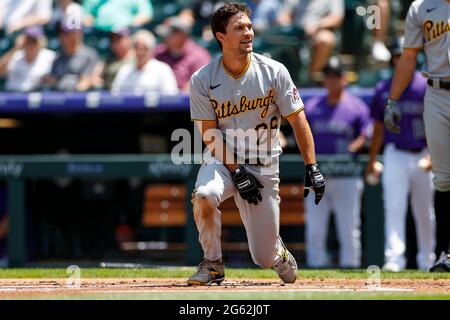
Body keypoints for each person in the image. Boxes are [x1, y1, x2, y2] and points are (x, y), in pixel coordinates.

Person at [187, 2, 325, 286]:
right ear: (220, 36)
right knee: (204, 194)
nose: (248, 32)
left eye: (249, 26)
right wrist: (236, 171)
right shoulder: (202, 78)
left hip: (263, 164)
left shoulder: (274, 71)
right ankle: (213, 263)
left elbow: (299, 121)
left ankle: (278, 252)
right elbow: (209, 133)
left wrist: (312, 166)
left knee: (262, 258)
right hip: (223, 160)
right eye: (239, 28)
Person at [383, 0, 450, 263]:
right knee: (444, 178)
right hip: (435, 91)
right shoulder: (421, 7)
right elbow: (409, 56)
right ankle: (445, 253)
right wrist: (392, 100)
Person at [368, 39, 436, 271]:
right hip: (394, 153)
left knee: (425, 212)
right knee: (394, 207)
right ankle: (394, 260)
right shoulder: (384, 88)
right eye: (397, 56)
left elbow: (437, 123)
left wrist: (434, 155)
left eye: (404, 55)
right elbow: (377, 128)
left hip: (422, 154)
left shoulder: (426, 86)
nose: (400, 60)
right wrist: (372, 160)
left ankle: (427, 260)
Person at [304, 57, 371, 268]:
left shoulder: (356, 106)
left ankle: (350, 265)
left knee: (349, 225)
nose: (331, 81)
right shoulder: (313, 106)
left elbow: (367, 132)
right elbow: (299, 132)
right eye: (328, 77)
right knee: (315, 226)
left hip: (347, 174)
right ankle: (316, 265)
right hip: (317, 175)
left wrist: (359, 143)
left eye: (336, 77)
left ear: (344, 79)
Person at [277, 0, 344, 80]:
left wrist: (318, 24)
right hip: (296, 33)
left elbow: (336, 19)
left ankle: (312, 77)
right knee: (276, 37)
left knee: (325, 39)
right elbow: (284, 16)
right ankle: (281, 78)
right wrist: (287, 25)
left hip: (320, 31)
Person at [154, 16, 211, 93]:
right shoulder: (159, 52)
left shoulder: (199, 55)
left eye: (168, 35)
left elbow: (203, 84)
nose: (165, 39)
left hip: (187, 102)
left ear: (182, 35)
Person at [111, 30, 178, 95]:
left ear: (151, 50)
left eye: (144, 48)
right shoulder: (125, 70)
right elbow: (115, 96)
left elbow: (171, 97)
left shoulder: (163, 70)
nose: (140, 52)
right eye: (136, 48)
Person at [42, 22, 100, 92]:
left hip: (80, 97)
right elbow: (54, 80)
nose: (67, 37)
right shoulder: (58, 57)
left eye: (73, 33)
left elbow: (86, 81)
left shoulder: (89, 54)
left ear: (80, 34)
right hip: (59, 96)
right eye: (65, 33)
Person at [0, 26, 55, 91]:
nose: (30, 44)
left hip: (36, 96)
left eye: (34, 41)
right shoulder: (15, 55)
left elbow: (54, 80)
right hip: (12, 95)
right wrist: (15, 48)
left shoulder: (49, 56)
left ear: (41, 42)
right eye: (28, 40)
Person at [82, 0, 153, 32]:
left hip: (125, 33)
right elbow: (85, 17)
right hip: (98, 35)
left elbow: (146, 15)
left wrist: (127, 24)